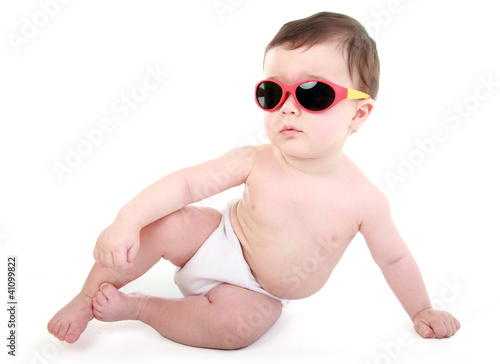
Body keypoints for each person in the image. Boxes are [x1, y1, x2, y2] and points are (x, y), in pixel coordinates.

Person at [48, 12, 460, 350]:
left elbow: (394, 259)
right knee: (169, 223)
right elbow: (185, 185)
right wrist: (126, 220)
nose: (288, 109)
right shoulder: (256, 160)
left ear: (359, 114)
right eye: (272, 93)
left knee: (235, 329)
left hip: (257, 292)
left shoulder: (364, 201)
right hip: (218, 239)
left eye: (313, 94)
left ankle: (140, 308)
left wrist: (421, 310)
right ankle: (87, 299)